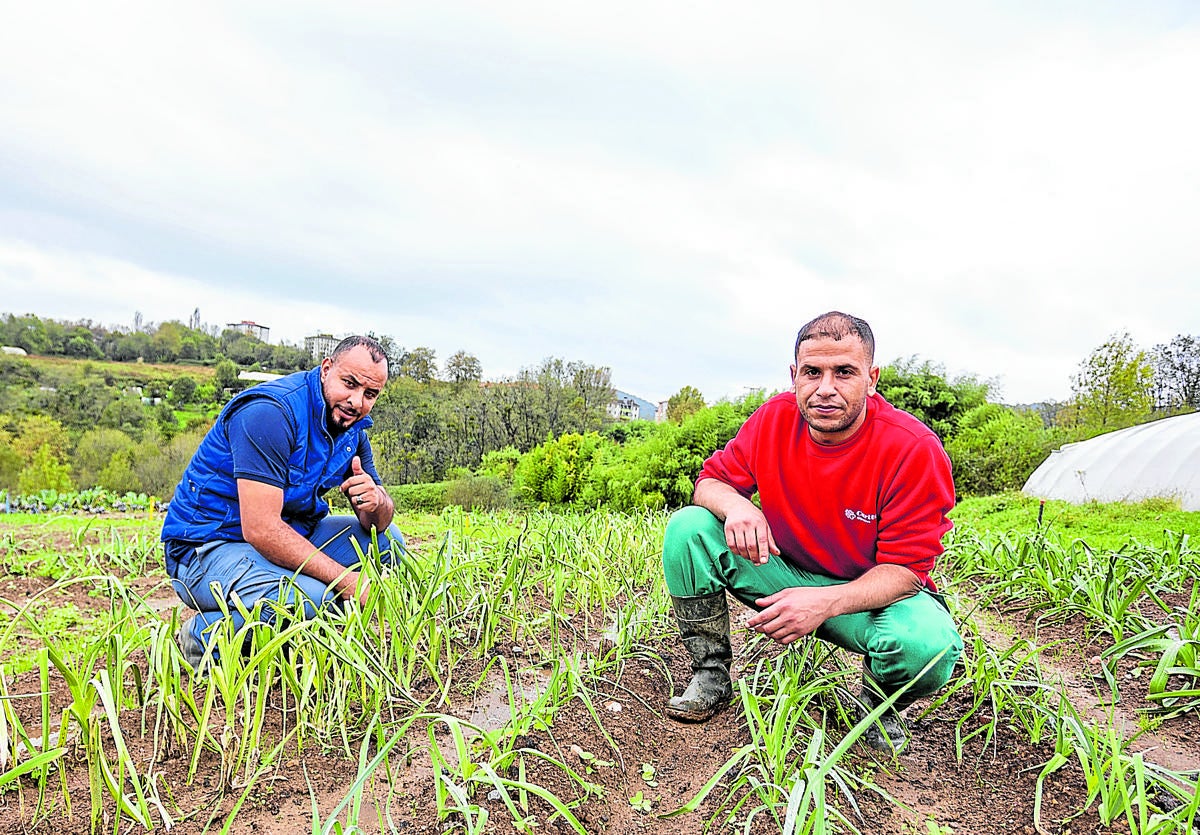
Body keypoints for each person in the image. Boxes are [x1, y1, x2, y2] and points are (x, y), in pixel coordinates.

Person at [661, 311, 961, 751]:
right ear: (794, 375)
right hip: (784, 574)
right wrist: (738, 506)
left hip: (867, 599)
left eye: (844, 373)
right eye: (812, 372)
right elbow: (710, 482)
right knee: (689, 526)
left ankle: (879, 707)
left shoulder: (912, 450)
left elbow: (906, 571)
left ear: (872, 378)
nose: (825, 389)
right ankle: (711, 674)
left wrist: (824, 602)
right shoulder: (773, 420)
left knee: (929, 645)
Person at [161, 335, 405, 670]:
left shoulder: (352, 431)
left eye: (370, 394)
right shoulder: (270, 413)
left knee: (388, 543)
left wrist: (376, 503)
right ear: (326, 369)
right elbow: (261, 529)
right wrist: (347, 581)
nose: (356, 401)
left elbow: (377, 523)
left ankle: (278, 625)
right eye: (349, 384)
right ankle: (203, 637)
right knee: (316, 600)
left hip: (288, 534)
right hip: (207, 549)